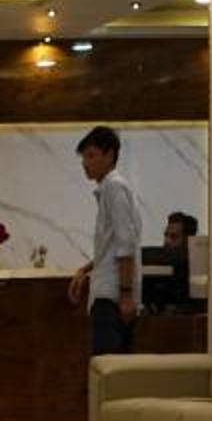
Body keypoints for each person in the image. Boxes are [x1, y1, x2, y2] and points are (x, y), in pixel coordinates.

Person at [67, 125, 142, 355]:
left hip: (112, 298)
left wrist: (126, 295)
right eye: (83, 157)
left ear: (109, 155)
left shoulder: (114, 186)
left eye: (91, 155)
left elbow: (125, 244)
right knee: (109, 367)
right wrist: (85, 269)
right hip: (111, 295)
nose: (85, 163)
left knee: (108, 367)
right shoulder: (110, 188)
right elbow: (112, 245)